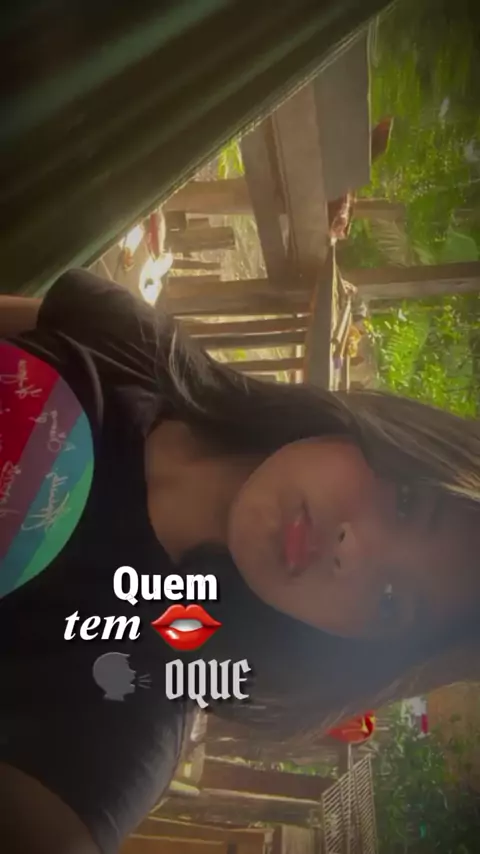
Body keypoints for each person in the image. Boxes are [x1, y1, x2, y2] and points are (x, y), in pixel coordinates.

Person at [0, 270, 479, 854]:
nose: (349, 551)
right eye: (406, 503)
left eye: (388, 601)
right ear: (387, 433)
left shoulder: (114, 728)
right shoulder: (133, 342)